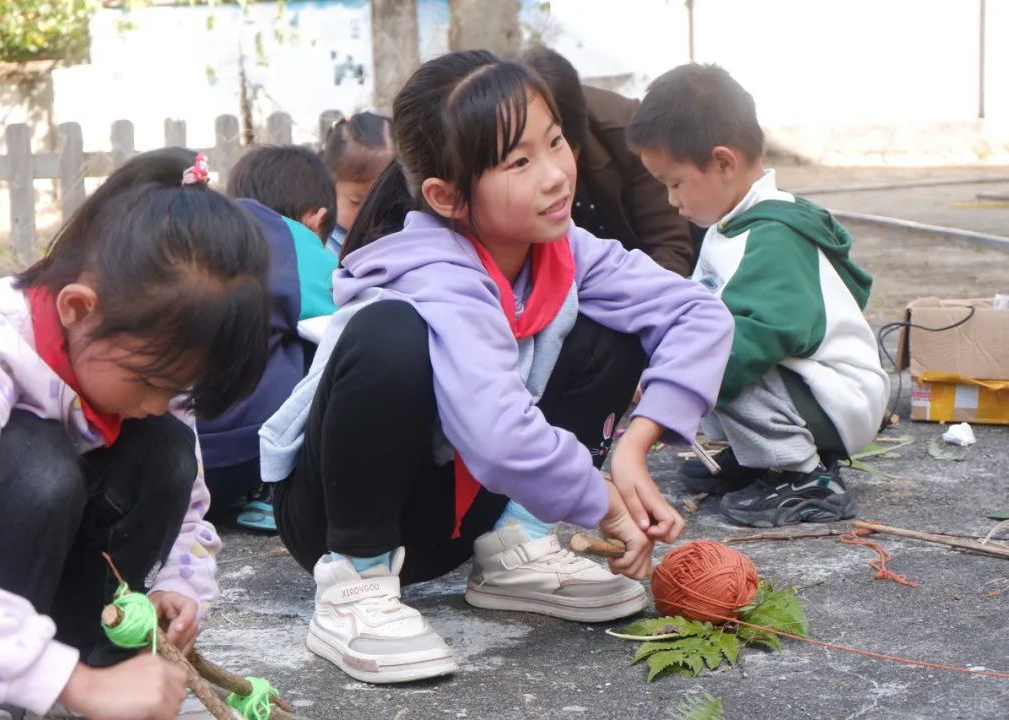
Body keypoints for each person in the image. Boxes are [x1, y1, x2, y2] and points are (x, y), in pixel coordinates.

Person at [258, 50, 733, 684]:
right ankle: (356, 587)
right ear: (446, 195)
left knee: (613, 328)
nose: (556, 175)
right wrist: (606, 506)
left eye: (556, 142)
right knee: (392, 333)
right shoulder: (433, 270)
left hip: (458, 515)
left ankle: (515, 545)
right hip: (339, 513)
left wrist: (636, 444)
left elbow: (700, 316)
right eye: (519, 162)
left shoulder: (566, 251)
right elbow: (494, 431)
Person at [0, 149, 270, 718]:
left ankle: (93, 663)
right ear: (78, 309)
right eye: (152, 381)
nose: (162, 401)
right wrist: (75, 685)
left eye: (180, 389)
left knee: (167, 450)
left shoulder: (145, 363)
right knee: (42, 471)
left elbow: (189, 513)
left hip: (25, 622)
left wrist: (183, 585)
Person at [627, 63, 889, 527]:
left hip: (835, 397)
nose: (671, 200)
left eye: (675, 183)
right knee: (703, 354)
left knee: (717, 357)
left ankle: (805, 479)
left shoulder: (772, 236)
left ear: (724, 163)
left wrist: (677, 383)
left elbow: (764, 333)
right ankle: (763, 460)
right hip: (810, 390)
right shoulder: (733, 223)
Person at [201, 147, 339, 531]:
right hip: (251, 449)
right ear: (316, 219)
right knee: (324, 337)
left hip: (179, 454)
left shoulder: (205, 230)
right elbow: (344, 325)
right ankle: (274, 490)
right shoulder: (294, 239)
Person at [520, 46, 693, 276]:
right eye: (521, 160)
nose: (551, 179)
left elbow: (669, 245)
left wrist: (631, 305)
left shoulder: (631, 135)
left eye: (554, 144)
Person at [321, 112, 394, 256]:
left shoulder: (407, 240)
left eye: (387, 202)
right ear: (330, 188)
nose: (371, 213)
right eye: (357, 202)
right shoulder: (323, 250)